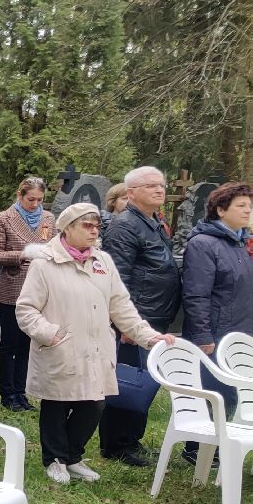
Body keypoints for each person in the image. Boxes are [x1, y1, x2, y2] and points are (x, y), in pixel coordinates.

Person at [17, 203, 175, 485]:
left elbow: (121, 306)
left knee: (94, 404)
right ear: (68, 228)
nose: (94, 231)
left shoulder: (102, 261)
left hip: (97, 347)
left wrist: (148, 336)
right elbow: (26, 309)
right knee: (57, 402)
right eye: (86, 226)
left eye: (96, 226)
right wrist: (50, 333)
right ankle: (55, 459)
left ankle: (73, 456)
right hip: (61, 346)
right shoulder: (45, 263)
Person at [99, 165, 181, 467]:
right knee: (128, 381)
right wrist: (126, 322)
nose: (160, 190)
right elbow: (119, 277)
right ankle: (117, 445)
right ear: (131, 193)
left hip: (154, 315)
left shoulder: (153, 222)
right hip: (137, 317)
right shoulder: (125, 226)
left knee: (143, 381)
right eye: (151, 186)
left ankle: (131, 439)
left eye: (161, 184)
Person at [179, 181, 253, 462]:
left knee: (231, 392)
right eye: (241, 206)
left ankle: (219, 444)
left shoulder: (238, 242)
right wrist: (203, 336)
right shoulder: (203, 244)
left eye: (249, 205)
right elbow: (196, 294)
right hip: (214, 332)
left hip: (239, 331)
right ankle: (196, 449)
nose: (248, 210)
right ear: (221, 210)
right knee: (211, 391)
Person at [0, 177, 55, 412]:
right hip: (13, 288)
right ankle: (7, 394)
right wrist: (24, 255)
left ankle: (21, 391)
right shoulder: (4, 218)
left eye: (40, 200)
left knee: (28, 343)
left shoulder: (48, 219)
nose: (35, 204)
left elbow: (53, 245)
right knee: (10, 344)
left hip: (40, 289)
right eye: (30, 199)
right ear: (20, 195)